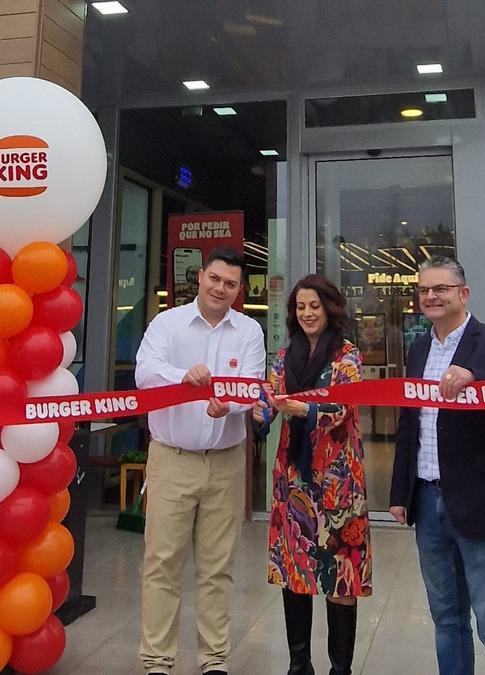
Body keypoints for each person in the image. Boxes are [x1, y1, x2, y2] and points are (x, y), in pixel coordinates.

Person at [388, 256, 485, 675]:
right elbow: (409, 423)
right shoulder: (418, 349)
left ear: (463, 294)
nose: (432, 297)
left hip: (482, 502)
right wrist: (400, 493)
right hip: (428, 501)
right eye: (424, 290)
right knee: (447, 620)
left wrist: (481, 385)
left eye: (441, 289)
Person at [135, 247, 267, 675]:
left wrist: (224, 406)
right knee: (162, 563)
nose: (220, 288)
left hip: (227, 460)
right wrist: (185, 378)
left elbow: (250, 386)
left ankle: (214, 659)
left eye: (230, 283)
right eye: (215, 278)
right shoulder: (167, 323)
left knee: (217, 567)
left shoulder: (248, 331)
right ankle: (157, 660)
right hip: (172, 458)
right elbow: (145, 374)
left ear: (239, 289)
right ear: (201, 277)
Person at [252, 274, 371, 675]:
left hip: (339, 482)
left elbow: (344, 406)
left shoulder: (347, 355)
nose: (306, 314)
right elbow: (269, 400)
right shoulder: (284, 358)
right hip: (293, 482)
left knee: (341, 577)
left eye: (314, 306)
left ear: (330, 309)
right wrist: (260, 414)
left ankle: (341, 669)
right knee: (295, 571)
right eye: (300, 307)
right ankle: (298, 665)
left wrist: (303, 410)